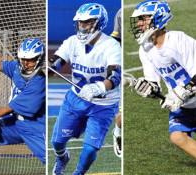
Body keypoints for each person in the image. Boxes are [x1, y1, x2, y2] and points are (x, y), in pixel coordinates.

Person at [49, 3, 121, 175]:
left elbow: (115, 77)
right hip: (75, 100)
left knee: (89, 150)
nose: (82, 27)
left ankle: (79, 172)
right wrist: (47, 67)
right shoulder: (72, 42)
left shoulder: (111, 46)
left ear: (99, 23)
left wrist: (98, 88)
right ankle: (62, 158)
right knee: (57, 142)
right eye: (80, 23)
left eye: (87, 22)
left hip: (103, 105)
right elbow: (56, 61)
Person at [130, 0, 196, 159]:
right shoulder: (145, 49)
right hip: (183, 104)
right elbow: (154, 83)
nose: (139, 24)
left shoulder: (178, 40)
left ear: (158, 18)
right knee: (177, 137)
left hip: (189, 96)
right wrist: (147, 89)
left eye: (143, 19)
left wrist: (185, 91)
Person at [0, 38, 46, 170]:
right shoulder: (17, 67)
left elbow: (8, 109)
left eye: (30, 59)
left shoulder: (38, 83)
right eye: (23, 59)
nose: (25, 63)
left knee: (52, 161)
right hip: (14, 123)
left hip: (34, 128)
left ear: (40, 59)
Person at [110, 8, 122, 158]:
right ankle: (118, 132)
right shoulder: (121, 12)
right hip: (127, 67)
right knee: (122, 116)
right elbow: (116, 38)